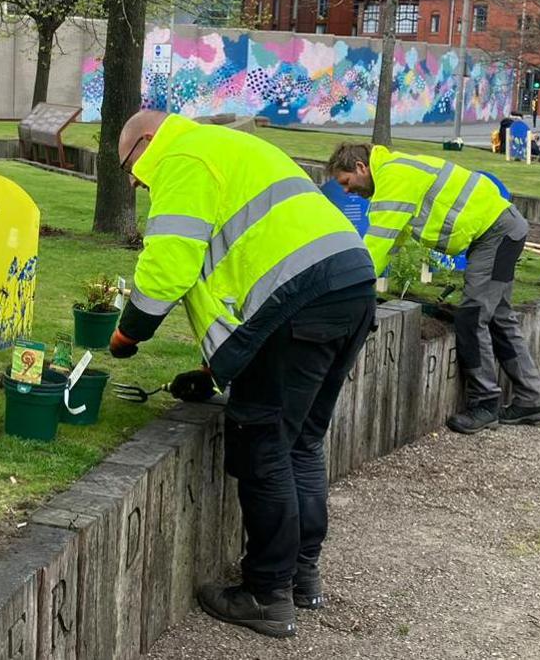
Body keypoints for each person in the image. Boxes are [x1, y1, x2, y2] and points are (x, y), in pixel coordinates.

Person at [108, 110, 376, 639]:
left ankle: (266, 594)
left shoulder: (181, 157)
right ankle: (302, 574)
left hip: (299, 299)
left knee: (265, 446)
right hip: (350, 284)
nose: (137, 183)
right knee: (301, 442)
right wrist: (216, 368)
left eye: (130, 169)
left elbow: (171, 263)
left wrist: (128, 333)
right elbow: (250, 257)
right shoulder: (229, 149)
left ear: (146, 142)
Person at [326, 142, 540, 436]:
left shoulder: (394, 176)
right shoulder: (395, 171)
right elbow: (393, 242)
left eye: (346, 182)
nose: (346, 191)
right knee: (499, 317)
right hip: (502, 230)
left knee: (472, 316)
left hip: (495, 234)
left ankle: (485, 404)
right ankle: (532, 399)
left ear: (360, 168)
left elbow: (376, 244)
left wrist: (348, 286)